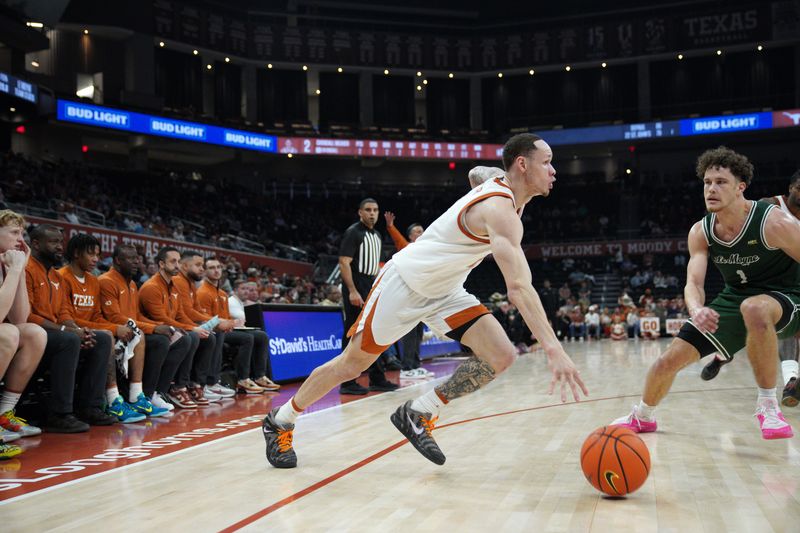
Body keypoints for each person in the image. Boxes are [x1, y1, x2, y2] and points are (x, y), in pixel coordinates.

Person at [262, 133, 587, 468]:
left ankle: (419, 411)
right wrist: (554, 349)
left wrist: (489, 176)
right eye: (546, 162)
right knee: (352, 364)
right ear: (523, 164)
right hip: (405, 283)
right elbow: (518, 288)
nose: (553, 171)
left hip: (445, 290)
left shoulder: (501, 186)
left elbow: (476, 173)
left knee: (501, 355)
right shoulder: (500, 210)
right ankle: (280, 420)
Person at [612, 147, 800, 440]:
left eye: (721, 182)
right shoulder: (701, 231)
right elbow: (693, 283)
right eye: (707, 182)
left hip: (789, 295)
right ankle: (643, 416)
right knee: (667, 361)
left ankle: (768, 407)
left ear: (741, 187)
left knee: (755, 308)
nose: (711, 188)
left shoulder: (773, 222)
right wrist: (696, 309)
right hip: (736, 299)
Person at [703, 169, 800, 408]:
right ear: (790, 188)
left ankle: (792, 382)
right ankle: (722, 355)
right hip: (763, 278)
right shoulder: (769, 207)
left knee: (790, 327)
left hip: (793, 278)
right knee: (753, 325)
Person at [26, 224, 116, 431]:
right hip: (31, 332)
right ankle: (59, 414)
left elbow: (64, 313)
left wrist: (77, 329)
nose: (59, 247)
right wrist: (69, 332)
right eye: (53, 242)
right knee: (69, 340)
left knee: (101, 338)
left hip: (54, 332)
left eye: (60, 242)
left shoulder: (56, 276)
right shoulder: (27, 269)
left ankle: (90, 407)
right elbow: (27, 316)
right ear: (36, 244)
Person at [58, 234, 150, 423]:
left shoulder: (93, 280)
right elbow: (66, 317)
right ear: (76, 253)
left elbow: (97, 316)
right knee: (107, 336)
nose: (96, 259)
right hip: (69, 331)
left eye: (98, 255)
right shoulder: (62, 277)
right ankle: (113, 400)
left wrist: (114, 327)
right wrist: (113, 329)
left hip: (90, 331)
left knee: (125, 334)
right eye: (91, 254)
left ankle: (134, 396)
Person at [100, 244, 191, 415]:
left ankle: (156, 393)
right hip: (116, 333)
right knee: (160, 342)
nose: (137, 262)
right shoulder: (107, 281)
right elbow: (115, 318)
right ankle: (144, 395)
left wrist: (156, 327)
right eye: (132, 258)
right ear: (118, 261)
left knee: (181, 339)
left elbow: (136, 316)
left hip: (133, 331)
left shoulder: (132, 284)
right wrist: (155, 328)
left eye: (138, 258)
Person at [335, 198, 397, 395]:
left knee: (373, 330)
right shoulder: (354, 232)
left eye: (375, 210)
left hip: (370, 284)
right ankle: (346, 382)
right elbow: (344, 262)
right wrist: (352, 290)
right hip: (356, 285)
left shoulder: (377, 235)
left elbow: (377, 267)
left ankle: (377, 378)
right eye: (368, 210)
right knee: (353, 332)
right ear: (360, 212)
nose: (372, 213)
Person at [0, 211, 47, 459]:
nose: (20, 239)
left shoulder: (8, 261)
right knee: (6, 333)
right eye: (14, 232)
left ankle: (4, 413)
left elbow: (20, 317)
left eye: (22, 233)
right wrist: (16, 271)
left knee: (33, 333)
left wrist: (19, 271)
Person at [196, 257, 279, 393]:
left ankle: (259, 376)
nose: (216, 270)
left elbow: (225, 317)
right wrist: (228, 323)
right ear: (205, 271)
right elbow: (203, 320)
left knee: (261, 336)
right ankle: (241, 379)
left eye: (218, 267)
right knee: (246, 338)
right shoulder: (203, 292)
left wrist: (231, 323)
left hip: (224, 328)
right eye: (211, 268)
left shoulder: (222, 293)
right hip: (211, 329)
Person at [139, 246, 208, 409]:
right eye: (173, 261)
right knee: (186, 338)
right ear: (161, 264)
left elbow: (180, 315)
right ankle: (161, 390)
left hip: (167, 330)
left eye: (178, 261)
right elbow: (161, 318)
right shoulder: (151, 287)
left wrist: (192, 327)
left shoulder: (173, 286)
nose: (177, 265)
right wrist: (191, 328)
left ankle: (174, 388)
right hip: (151, 331)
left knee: (192, 336)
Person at [172, 250, 229, 402]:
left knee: (209, 336)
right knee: (198, 336)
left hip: (184, 323)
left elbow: (195, 311)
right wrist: (213, 321)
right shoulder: (178, 282)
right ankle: (181, 385)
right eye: (198, 265)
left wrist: (215, 321)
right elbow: (186, 313)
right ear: (184, 266)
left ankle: (197, 383)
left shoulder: (190, 284)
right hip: (173, 326)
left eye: (202, 265)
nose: (202, 269)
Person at [384, 211, 432, 380]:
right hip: (408, 299)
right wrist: (390, 227)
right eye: (418, 231)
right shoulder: (408, 248)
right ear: (411, 236)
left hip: (420, 298)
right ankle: (406, 368)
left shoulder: (427, 250)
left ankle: (416, 365)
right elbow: (399, 241)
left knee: (418, 333)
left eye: (423, 230)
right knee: (410, 334)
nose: (422, 233)